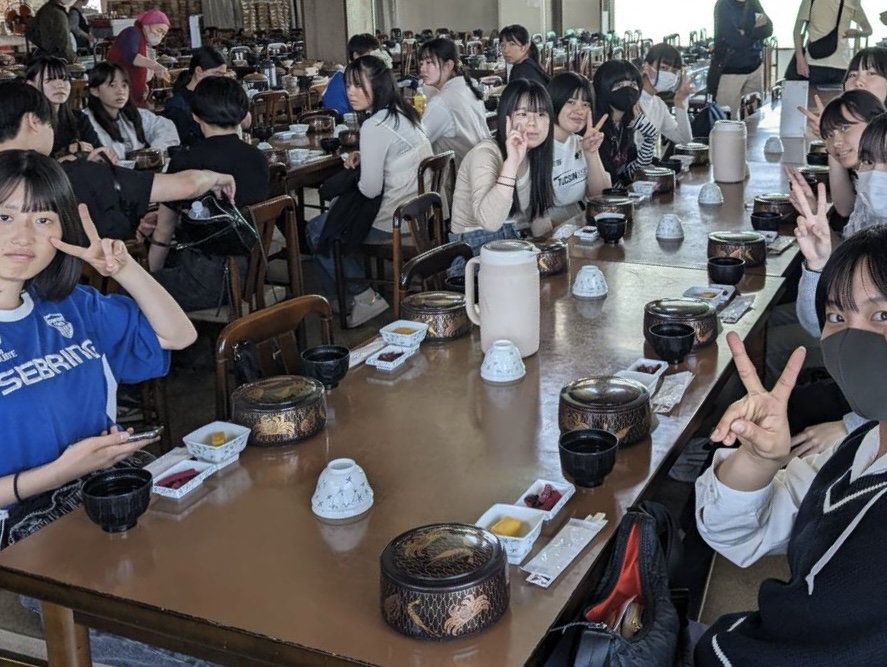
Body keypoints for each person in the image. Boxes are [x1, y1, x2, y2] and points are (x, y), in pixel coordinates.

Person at [0, 150, 218, 667]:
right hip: (26, 542)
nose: (23, 236)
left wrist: (124, 269)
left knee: (233, 581)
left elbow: (178, 335)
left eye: (43, 219)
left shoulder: (69, 305)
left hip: (113, 499)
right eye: (4, 216)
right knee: (198, 649)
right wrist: (57, 472)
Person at [694, 223, 887, 666]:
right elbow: (735, 532)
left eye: (881, 315)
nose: (853, 340)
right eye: (837, 317)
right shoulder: (860, 445)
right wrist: (758, 460)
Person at [0, 80, 236, 241]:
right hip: (81, 290)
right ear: (33, 121)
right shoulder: (71, 175)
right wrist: (214, 177)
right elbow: (185, 185)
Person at [307, 54, 432, 328]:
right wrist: (367, 157)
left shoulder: (374, 125)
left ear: (378, 84)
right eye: (347, 86)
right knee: (332, 220)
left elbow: (370, 189)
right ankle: (347, 297)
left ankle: (361, 297)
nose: (350, 92)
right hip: (419, 213)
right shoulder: (404, 111)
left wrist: (360, 173)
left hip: (394, 221)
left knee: (317, 230)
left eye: (358, 85)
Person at [147, 76, 269, 311]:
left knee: (129, 291)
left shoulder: (186, 161)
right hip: (253, 272)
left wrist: (150, 277)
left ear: (195, 115)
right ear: (243, 114)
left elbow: (163, 231)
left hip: (206, 280)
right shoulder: (258, 157)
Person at [449, 78, 554, 263]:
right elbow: (490, 222)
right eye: (523, 114)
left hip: (515, 245)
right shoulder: (485, 154)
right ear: (506, 117)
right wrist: (512, 162)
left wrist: (552, 250)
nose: (533, 123)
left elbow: (538, 215)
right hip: (473, 254)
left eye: (541, 114)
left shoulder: (536, 154)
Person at [417, 37, 491, 171]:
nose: (422, 69)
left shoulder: (441, 102)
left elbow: (417, 143)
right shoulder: (468, 87)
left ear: (448, 66)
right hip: (484, 167)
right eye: (421, 63)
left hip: (461, 176)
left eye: (429, 63)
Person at [546, 72, 610, 224]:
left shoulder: (582, 142)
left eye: (585, 104)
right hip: (546, 228)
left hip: (578, 222)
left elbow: (602, 196)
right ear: (554, 100)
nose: (579, 110)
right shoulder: (538, 146)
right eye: (571, 102)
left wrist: (591, 154)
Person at [84, 62, 180, 160]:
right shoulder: (86, 123)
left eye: (124, 85)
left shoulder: (131, 114)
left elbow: (166, 128)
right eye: (112, 85)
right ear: (94, 91)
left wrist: (153, 153)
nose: (121, 91)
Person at [24, 55, 107, 160]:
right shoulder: (25, 123)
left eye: (64, 79)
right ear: (30, 85)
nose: (60, 84)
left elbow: (100, 154)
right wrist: (65, 152)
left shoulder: (79, 118)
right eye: (50, 79)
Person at [592, 59, 659, 187]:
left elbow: (631, 172)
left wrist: (650, 136)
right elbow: (610, 183)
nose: (628, 89)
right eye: (619, 85)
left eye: (633, 84)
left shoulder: (625, 124)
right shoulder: (597, 129)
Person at [786, 0, 871, 85]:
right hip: (815, 64)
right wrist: (800, 59)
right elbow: (797, 30)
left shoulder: (852, 2)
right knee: (812, 93)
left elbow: (868, 30)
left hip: (841, 65)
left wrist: (857, 33)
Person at [712, 0, 773, 119]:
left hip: (754, 67)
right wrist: (755, 30)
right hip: (731, 71)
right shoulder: (724, 5)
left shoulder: (753, 3)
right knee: (727, 120)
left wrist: (746, 32)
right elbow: (735, 40)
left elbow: (768, 29)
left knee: (754, 118)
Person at [162, 46, 228, 147]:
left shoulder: (215, 97)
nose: (221, 79)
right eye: (217, 74)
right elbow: (185, 140)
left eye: (223, 75)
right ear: (199, 71)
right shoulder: (177, 105)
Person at [107, 8, 170, 108]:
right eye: (158, 30)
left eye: (163, 34)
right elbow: (130, 56)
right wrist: (155, 66)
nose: (160, 35)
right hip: (118, 91)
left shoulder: (144, 42)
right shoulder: (132, 32)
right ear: (147, 25)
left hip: (132, 95)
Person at [638, 43, 694, 146]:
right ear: (646, 67)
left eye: (674, 71)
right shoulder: (632, 100)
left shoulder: (659, 105)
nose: (669, 75)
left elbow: (684, 140)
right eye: (663, 68)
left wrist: (679, 104)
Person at [322, 33, 387, 116]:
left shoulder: (376, 75)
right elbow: (339, 116)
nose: (375, 60)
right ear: (356, 55)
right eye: (370, 56)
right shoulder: (339, 81)